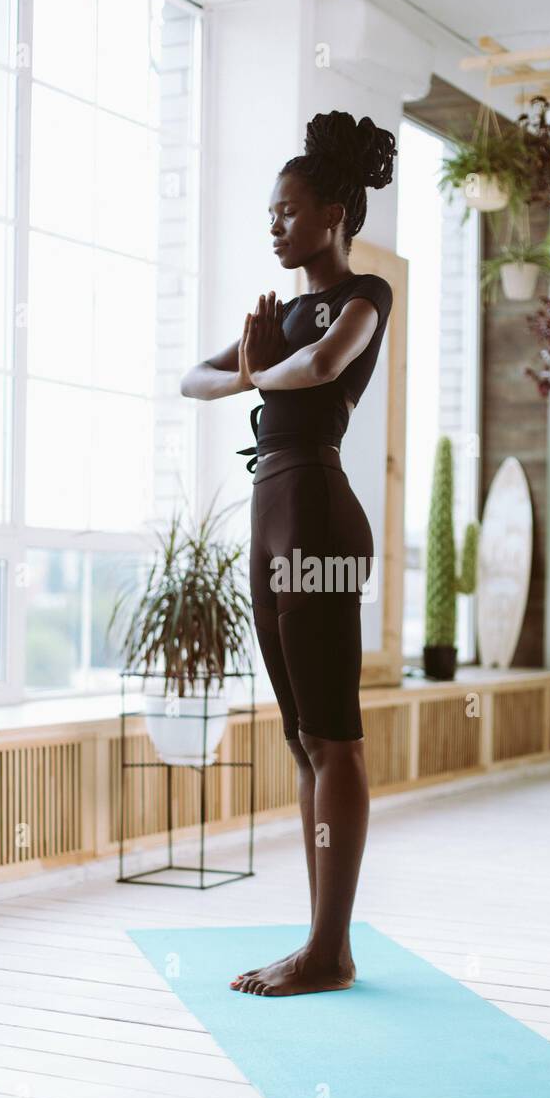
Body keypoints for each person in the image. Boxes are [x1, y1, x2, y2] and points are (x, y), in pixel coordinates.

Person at [181, 111, 396, 996]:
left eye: (288, 211)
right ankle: (321, 943)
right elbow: (193, 379)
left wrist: (264, 367)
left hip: (316, 512)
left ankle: (328, 951)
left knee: (334, 738)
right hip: (269, 512)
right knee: (302, 741)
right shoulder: (282, 315)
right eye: (270, 213)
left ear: (336, 213)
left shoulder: (363, 296)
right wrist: (251, 366)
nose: (275, 226)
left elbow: (318, 369)